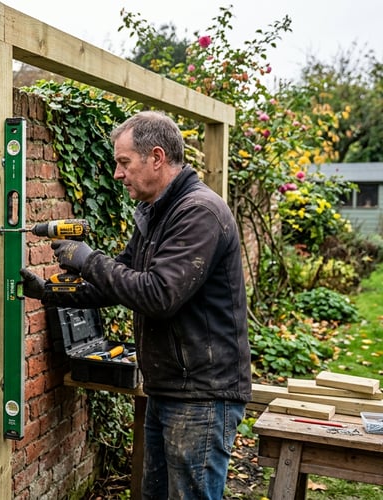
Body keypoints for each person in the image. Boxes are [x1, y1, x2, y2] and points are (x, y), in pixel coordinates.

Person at [21, 110, 251, 500]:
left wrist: (87, 259)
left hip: (201, 395)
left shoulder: (199, 213)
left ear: (156, 157)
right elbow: (123, 281)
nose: (117, 173)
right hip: (168, 388)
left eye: (124, 162)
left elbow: (158, 295)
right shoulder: (157, 212)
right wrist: (49, 292)